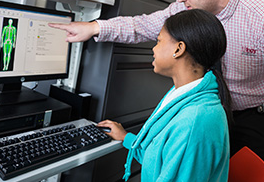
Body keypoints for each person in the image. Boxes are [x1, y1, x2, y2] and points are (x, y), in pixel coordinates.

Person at [49, 0, 264, 159]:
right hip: (200, 108)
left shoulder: (258, 17)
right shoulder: (185, 9)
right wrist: (94, 27)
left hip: (248, 115)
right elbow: (142, 25)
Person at [99, 9, 231, 181]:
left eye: (159, 41)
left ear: (178, 49)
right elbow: (162, 160)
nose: (154, 49)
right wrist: (127, 138)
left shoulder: (194, 122)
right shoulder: (183, 94)